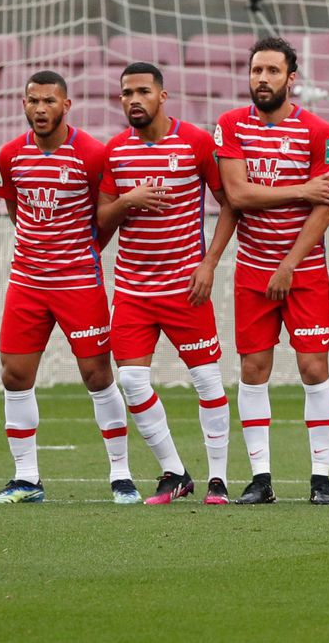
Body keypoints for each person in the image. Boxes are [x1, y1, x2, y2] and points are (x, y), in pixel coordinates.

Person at [0, 71, 139, 504]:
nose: (39, 108)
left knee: (97, 375)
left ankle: (121, 475)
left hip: (78, 282)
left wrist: (80, 251)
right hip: (27, 282)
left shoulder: (92, 154)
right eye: (32, 100)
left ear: (66, 106)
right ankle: (26, 479)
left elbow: (104, 217)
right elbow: (17, 210)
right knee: (15, 375)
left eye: (48, 101)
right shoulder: (10, 156)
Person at [97, 62, 238, 505]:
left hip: (186, 286)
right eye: (126, 93)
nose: (133, 100)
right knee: (133, 381)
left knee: (208, 381)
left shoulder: (195, 141)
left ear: (163, 95)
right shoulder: (114, 152)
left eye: (142, 91)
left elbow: (230, 204)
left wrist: (209, 264)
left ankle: (218, 480)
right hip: (135, 291)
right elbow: (100, 220)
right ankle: (175, 472)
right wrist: (127, 201)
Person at [214, 37, 329, 505]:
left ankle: (320, 478)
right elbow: (238, 196)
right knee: (254, 369)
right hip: (251, 270)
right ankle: (261, 478)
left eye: (271, 71)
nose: (262, 79)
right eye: (255, 71)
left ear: (292, 78)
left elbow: (325, 207)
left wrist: (289, 264)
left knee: (313, 368)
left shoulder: (319, 132)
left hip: (304, 272)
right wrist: (300, 190)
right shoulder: (230, 125)